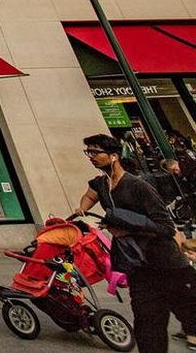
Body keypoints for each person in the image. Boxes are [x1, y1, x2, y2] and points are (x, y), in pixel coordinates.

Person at [75, 133, 196, 353]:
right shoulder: (101, 184)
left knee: (188, 312)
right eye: (88, 152)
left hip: (168, 264)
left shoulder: (139, 186)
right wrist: (82, 207)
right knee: (147, 324)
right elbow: (90, 196)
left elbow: (166, 228)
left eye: (95, 152)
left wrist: (127, 229)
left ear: (113, 156)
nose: (91, 156)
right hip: (138, 266)